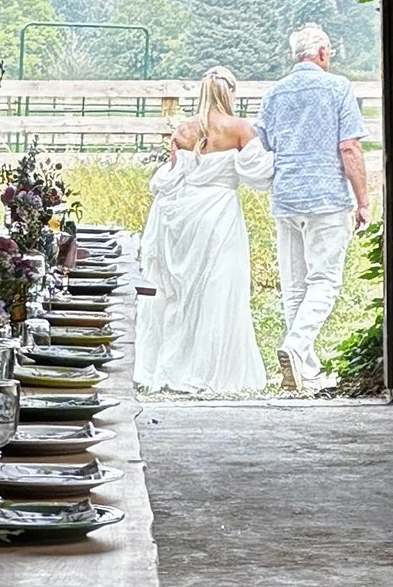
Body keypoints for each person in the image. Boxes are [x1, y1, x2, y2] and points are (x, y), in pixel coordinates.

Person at [132, 67, 267, 397]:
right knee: (219, 290)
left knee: (185, 291)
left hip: (188, 217)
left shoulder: (185, 130)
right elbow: (258, 174)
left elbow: (169, 179)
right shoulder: (240, 129)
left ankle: (175, 362)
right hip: (220, 215)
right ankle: (211, 369)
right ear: (230, 93)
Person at [249, 23, 368, 396]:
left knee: (295, 287)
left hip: (286, 198)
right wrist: (363, 200)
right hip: (327, 199)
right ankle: (296, 347)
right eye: (328, 53)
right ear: (321, 54)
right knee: (325, 282)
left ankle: (305, 369)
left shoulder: (275, 94)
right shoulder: (338, 88)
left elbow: (261, 144)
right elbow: (349, 148)